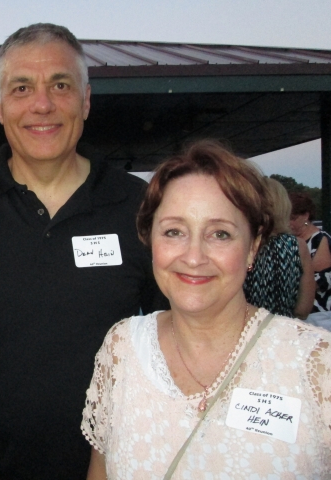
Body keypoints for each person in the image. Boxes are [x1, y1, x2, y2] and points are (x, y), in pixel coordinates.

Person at [0, 23, 166, 480]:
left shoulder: (141, 207)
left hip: (122, 468)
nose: (42, 104)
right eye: (22, 87)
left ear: (85, 100)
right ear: (0, 107)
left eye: (60, 85)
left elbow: (179, 333)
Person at [82, 141, 331, 479]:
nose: (194, 256)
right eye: (174, 231)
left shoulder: (317, 366)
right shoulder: (122, 348)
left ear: (252, 246)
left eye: (219, 234)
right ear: (150, 240)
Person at [244, 178, 315, 318]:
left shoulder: (240, 243)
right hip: (283, 332)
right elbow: (303, 309)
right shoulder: (298, 247)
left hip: (240, 331)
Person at [290, 191, 331, 329]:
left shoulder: (320, 240)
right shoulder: (290, 241)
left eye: (293, 218)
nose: (289, 223)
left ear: (306, 215)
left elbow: (323, 280)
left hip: (318, 315)